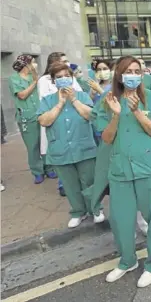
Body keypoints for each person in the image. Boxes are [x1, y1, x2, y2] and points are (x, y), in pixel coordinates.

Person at [100, 56, 151, 287]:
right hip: (120, 170)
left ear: (142, 74)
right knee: (120, 220)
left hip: (148, 168)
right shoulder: (107, 100)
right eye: (127, 70)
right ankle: (128, 260)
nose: (132, 75)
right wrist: (117, 115)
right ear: (118, 74)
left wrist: (137, 112)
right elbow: (107, 138)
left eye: (137, 71)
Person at [36, 62, 100, 227]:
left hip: (84, 147)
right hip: (60, 150)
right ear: (53, 81)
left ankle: (95, 209)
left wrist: (73, 100)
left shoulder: (82, 96)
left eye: (67, 76)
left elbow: (90, 116)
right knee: (70, 184)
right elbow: (44, 120)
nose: (63, 79)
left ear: (72, 78)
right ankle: (78, 212)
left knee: (89, 181)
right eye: (59, 77)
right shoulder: (47, 100)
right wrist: (60, 103)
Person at [38, 52, 83, 195]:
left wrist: (73, 98)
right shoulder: (44, 81)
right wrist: (60, 101)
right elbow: (43, 104)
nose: (67, 63)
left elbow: (81, 96)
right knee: (62, 153)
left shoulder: (71, 78)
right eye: (64, 61)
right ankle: (64, 184)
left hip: (74, 120)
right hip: (56, 120)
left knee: (79, 154)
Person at [8, 55, 57, 184]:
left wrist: (36, 78)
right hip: (26, 117)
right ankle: (37, 172)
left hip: (40, 114)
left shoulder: (35, 77)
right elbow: (22, 95)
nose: (35, 65)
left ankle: (49, 168)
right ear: (26, 64)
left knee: (45, 143)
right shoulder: (14, 79)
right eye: (33, 63)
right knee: (33, 145)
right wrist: (35, 82)